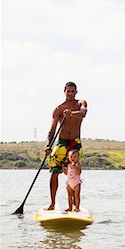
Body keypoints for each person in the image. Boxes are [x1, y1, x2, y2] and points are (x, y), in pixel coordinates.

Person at [45, 82, 87, 210]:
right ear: (64, 91)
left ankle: (75, 205)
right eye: (68, 91)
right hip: (62, 142)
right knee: (54, 172)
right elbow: (52, 129)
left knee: (74, 172)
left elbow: (83, 113)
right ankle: (52, 203)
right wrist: (48, 146)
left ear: (76, 92)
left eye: (72, 91)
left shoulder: (81, 103)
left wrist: (72, 114)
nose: (70, 94)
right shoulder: (58, 109)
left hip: (75, 142)